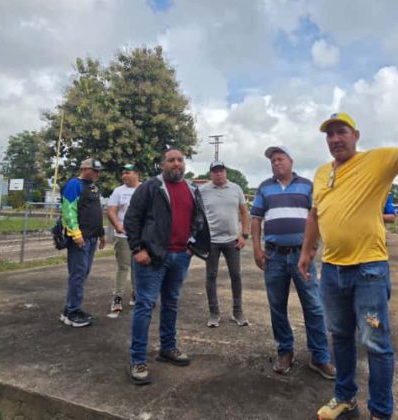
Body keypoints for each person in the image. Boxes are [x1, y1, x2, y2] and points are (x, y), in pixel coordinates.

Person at [299, 113, 398, 420]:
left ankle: (380, 412)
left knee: (375, 342)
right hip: (332, 271)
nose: (335, 139)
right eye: (329, 135)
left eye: (342, 132)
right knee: (340, 337)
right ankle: (345, 398)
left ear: (356, 135)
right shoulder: (322, 173)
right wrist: (307, 251)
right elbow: (315, 214)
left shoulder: (375, 161)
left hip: (369, 272)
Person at [123, 147, 211, 385]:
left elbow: (198, 219)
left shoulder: (192, 188)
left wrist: (192, 246)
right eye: (171, 160)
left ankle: (168, 347)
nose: (176, 163)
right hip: (152, 258)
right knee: (145, 305)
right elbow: (132, 218)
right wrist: (137, 249)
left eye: (180, 160)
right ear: (162, 165)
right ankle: (137, 359)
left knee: (171, 303)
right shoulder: (150, 187)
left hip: (180, 256)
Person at [250, 145, 336, 380]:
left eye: (280, 158)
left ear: (291, 161)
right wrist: (256, 249)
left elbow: (318, 216)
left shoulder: (307, 186)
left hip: (301, 256)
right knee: (277, 307)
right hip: (274, 256)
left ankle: (319, 357)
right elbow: (256, 219)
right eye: (272, 161)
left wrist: (312, 248)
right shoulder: (264, 187)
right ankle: (285, 352)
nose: (276, 163)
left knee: (313, 306)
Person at [199, 160, 250, 327]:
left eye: (221, 170)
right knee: (211, 276)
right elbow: (196, 214)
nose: (218, 174)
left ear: (225, 172)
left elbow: (244, 212)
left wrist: (244, 235)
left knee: (236, 275)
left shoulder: (236, 189)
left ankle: (237, 311)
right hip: (211, 241)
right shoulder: (203, 190)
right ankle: (214, 313)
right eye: (215, 171)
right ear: (211, 173)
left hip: (232, 240)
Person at [60, 158, 107, 328]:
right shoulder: (74, 185)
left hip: (92, 237)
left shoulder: (93, 187)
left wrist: (101, 234)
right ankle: (73, 312)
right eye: (95, 171)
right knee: (78, 274)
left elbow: (96, 212)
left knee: (83, 273)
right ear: (85, 169)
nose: (98, 174)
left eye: (99, 171)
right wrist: (75, 233)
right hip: (81, 238)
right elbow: (68, 210)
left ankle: (69, 309)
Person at [106, 163, 140, 317]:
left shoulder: (144, 189)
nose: (124, 176)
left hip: (140, 236)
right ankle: (117, 297)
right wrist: (117, 225)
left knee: (138, 267)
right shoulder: (118, 191)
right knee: (123, 267)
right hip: (123, 236)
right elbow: (111, 211)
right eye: (123, 173)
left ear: (136, 174)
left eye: (127, 172)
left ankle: (137, 295)